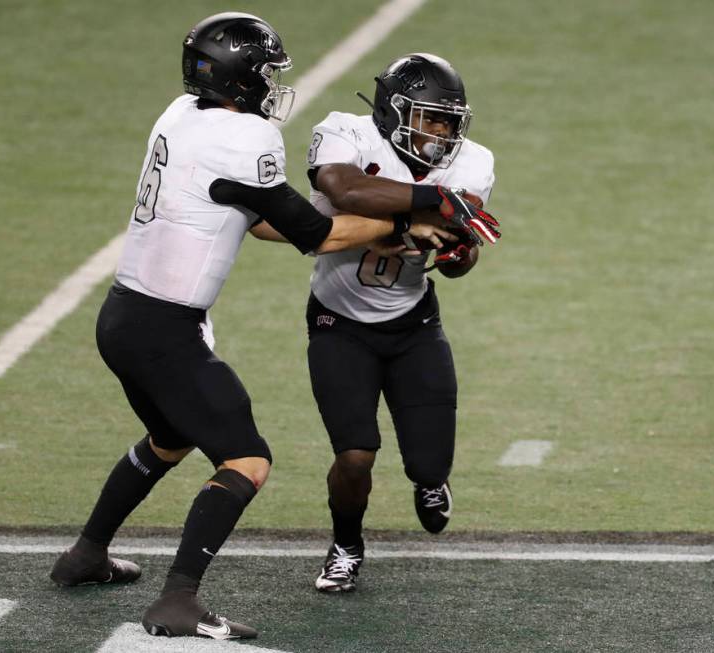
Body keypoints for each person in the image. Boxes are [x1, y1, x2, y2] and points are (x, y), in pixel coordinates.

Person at [48, 14, 470, 641]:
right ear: (238, 75)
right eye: (267, 71)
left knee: (169, 437)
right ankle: (178, 600)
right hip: (165, 328)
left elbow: (254, 217)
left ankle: (86, 554)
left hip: (125, 316)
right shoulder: (245, 139)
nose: (272, 82)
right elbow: (317, 234)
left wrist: (393, 224)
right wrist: (413, 216)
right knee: (247, 459)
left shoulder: (181, 114)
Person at [304, 53, 500, 592]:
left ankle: (431, 481)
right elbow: (344, 189)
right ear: (393, 111)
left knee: (429, 464)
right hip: (337, 322)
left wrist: (461, 254)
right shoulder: (345, 132)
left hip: (414, 324)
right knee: (355, 453)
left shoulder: (472, 162)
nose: (440, 132)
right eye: (429, 117)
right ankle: (346, 545)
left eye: (449, 121)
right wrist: (431, 203)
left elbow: (462, 245)